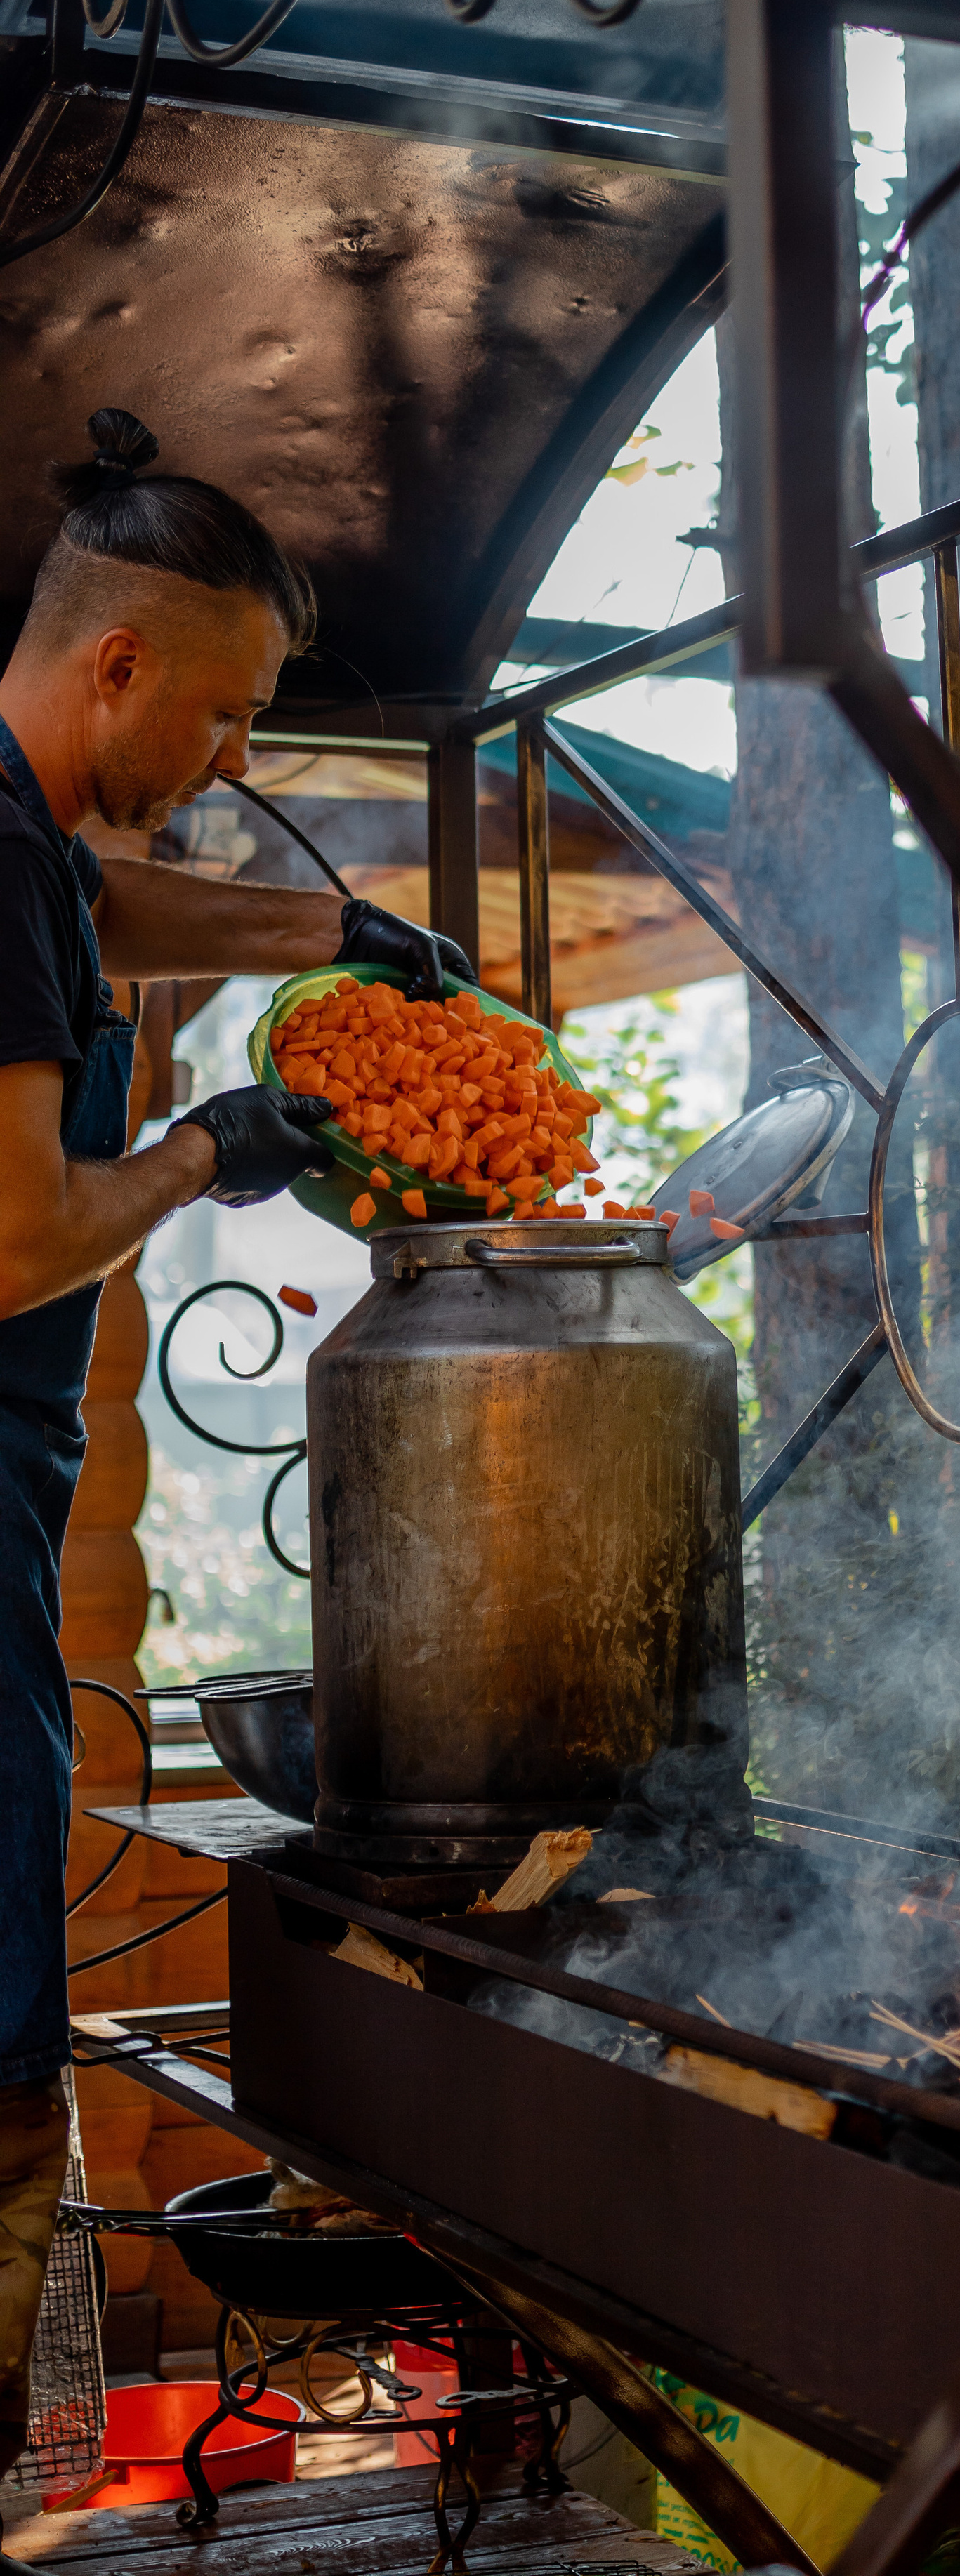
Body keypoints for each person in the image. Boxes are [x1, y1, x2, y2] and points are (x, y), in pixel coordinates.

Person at [0, 409, 471, 2481]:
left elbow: (105, 911)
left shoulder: (19, 843)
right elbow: (12, 1232)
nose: (240, 766)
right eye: (228, 715)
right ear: (118, 669)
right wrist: (214, 1146)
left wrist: (338, 941)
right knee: (1, 2062)